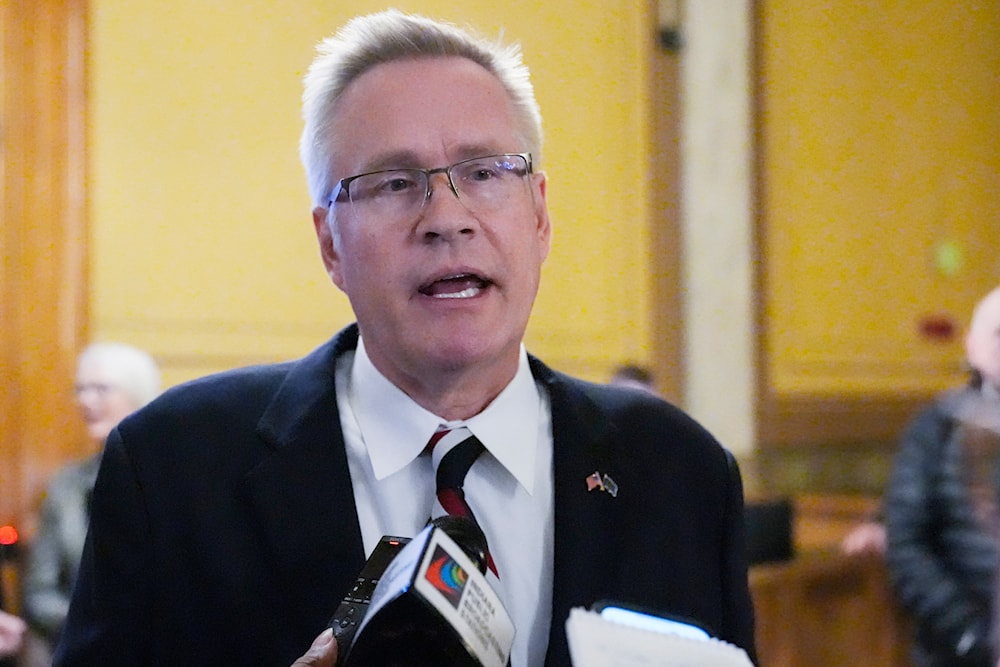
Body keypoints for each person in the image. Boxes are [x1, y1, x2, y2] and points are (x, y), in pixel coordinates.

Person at [54, 10, 756, 666]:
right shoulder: (172, 470)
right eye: (394, 183)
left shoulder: (682, 474)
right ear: (330, 243)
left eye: (484, 172)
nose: (446, 217)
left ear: (539, 217)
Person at [884, 285, 1000, 667]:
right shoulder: (938, 427)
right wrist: (970, 633)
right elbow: (907, 540)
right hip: (960, 650)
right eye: (999, 333)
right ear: (972, 344)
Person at [22, 343, 160, 657]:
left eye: (101, 389)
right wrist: (93, 631)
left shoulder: (172, 477)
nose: (86, 401)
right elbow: (39, 592)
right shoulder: (66, 485)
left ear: (138, 394)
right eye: (80, 390)